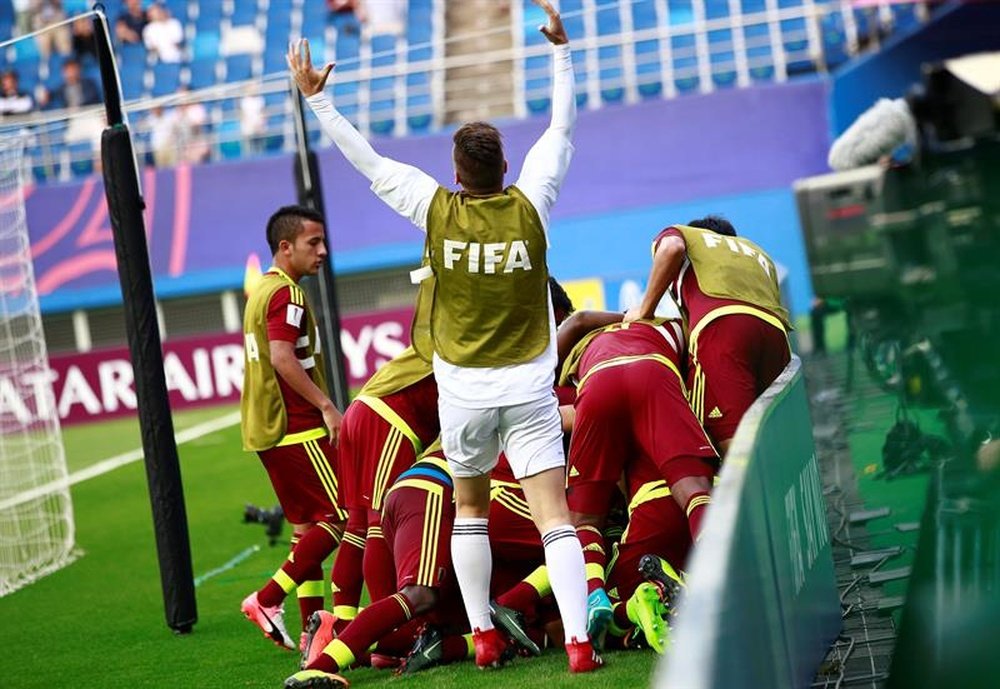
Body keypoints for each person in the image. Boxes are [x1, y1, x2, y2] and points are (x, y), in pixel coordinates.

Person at [287, 0, 601, 674]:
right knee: (554, 515)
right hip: (528, 387)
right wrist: (560, 51)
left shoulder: (432, 207)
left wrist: (319, 104)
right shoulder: (534, 200)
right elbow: (563, 129)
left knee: (469, 507)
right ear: (505, 163)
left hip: (462, 390)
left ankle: (483, 634)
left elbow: (370, 165)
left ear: (456, 173)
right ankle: (578, 643)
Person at [557, 313, 718, 643]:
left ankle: (596, 595)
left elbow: (578, 321)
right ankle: (718, 576)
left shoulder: (578, 352)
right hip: (653, 370)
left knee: (584, 520)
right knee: (696, 490)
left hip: (597, 383)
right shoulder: (669, 325)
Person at [240, 205, 347, 652]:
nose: (322, 252)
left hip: (269, 430)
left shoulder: (261, 292)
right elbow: (283, 358)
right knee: (340, 518)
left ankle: (311, 635)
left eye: (323, 242)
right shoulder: (287, 295)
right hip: (296, 427)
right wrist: (326, 405)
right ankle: (267, 599)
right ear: (285, 248)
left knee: (306, 532)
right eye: (312, 243)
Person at [288, 440, 469, 689]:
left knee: (435, 622)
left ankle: (342, 632)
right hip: (432, 488)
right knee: (419, 594)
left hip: (416, 485)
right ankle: (318, 666)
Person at [625, 215, 792, 455]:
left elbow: (672, 248)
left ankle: (743, 492)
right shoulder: (758, 252)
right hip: (775, 333)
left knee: (733, 445)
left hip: (722, 329)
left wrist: (644, 310)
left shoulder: (685, 234)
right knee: (771, 432)